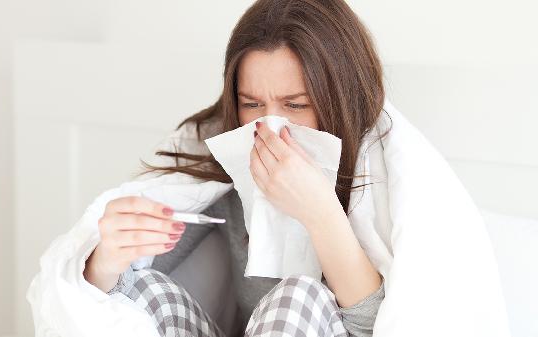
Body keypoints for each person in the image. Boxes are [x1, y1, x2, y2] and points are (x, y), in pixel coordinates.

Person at [84, 0, 388, 336]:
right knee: (141, 289)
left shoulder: (377, 171)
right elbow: (129, 285)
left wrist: (321, 213)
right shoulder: (233, 165)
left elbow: (380, 328)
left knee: (299, 297)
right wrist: (107, 260)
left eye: (297, 105)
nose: (269, 127)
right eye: (251, 104)